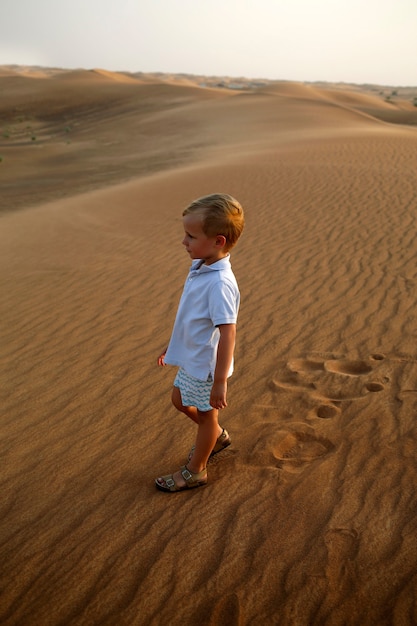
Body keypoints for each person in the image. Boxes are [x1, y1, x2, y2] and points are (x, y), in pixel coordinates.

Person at [155, 193, 245, 492]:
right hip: (193, 358)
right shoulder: (203, 267)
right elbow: (191, 317)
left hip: (207, 367)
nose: (184, 242)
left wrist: (220, 381)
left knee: (206, 417)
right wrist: (174, 346)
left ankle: (196, 471)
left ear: (218, 241)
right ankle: (216, 436)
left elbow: (227, 332)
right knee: (180, 400)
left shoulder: (220, 283)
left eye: (191, 236)